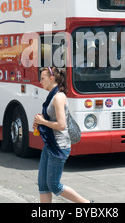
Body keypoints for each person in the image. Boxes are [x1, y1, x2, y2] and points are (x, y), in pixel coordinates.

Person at [33, 67, 90, 203]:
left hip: (59, 146)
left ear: (51, 79)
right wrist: (40, 123)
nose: (40, 82)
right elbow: (52, 121)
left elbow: (61, 125)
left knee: (54, 185)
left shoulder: (59, 97)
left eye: (43, 78)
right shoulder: (52, 96)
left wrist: (43, 121)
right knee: (43, 184)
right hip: (50, 144)